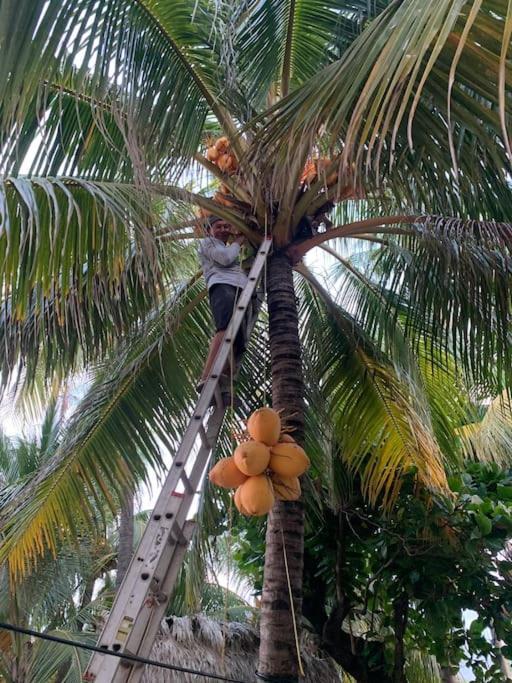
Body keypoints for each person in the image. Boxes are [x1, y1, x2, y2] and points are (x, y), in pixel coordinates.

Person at [197, 215, 247, 392]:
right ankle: (206, 377)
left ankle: (223, 381)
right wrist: (239, 241)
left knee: (238, 342)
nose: (224, 230)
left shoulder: (226, 247)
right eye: (219, 226)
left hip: (239, 289)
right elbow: (224, 258)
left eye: (227, 226)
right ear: (210, 230)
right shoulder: (208, 242)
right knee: (224, 329)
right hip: (222, 285)